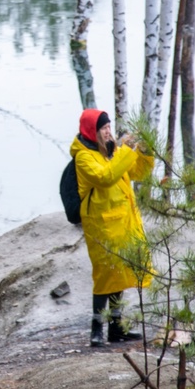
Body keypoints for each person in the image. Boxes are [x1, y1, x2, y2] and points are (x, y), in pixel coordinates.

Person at [71, 108, 155, 347]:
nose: (109, 133)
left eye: (109, 128)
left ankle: (116, 328)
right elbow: (106, 177)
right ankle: (97, 329)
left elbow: (139, 172)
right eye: (104, 129)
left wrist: (144, 151)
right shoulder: (84, 157)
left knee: (119, 272)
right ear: (92, 131)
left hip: (123, 221)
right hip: (101, 225)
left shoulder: (112, 151)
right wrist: (125, 151)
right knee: (104, 275)